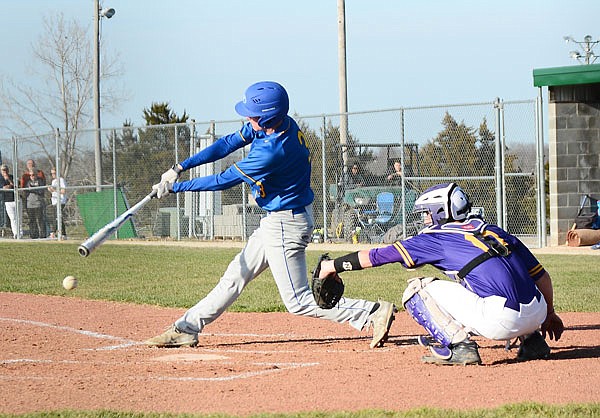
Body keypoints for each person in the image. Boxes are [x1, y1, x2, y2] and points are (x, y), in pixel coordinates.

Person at [145, 81, 396, 349]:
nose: (247, 118)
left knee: (298, 301)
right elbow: (228, 143)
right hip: (277, 220)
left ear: (268, 117)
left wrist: (176, 188)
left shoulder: (272, 151)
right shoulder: (279, 124)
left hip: (287, 223)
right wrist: (181, 167)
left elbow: (223, 180)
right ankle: (187, 328)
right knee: (234, 277)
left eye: (253, 114)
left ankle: (371, 312)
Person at [316, 182, 564, 365]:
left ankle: (460, 346)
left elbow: (378, 256)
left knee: (416, 290)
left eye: (426, 212)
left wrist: (332, 266)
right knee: (495, 280)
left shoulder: (436, 238)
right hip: (539, 311)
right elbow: (542, 277)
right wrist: (549, 313)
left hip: (501, 321)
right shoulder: (492, 229)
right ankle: (532, 342)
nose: (424, 218)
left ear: (440, 212)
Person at [0, 164, 22, 239]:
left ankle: (20, 233)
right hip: (8, 201)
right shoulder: (0, 179)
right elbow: (3, 188)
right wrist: (8, 186)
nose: (5, 171)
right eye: (3, 170)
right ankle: (15, 233)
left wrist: (9, 180)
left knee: (19, 217)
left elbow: (16, 185)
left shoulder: (12, 177)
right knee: (12, 218)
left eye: (6, 169)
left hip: (16, 199)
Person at [24, 169, 46, 239]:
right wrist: (32, 189)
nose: (32, 176)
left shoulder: (40, 181)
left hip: (38, 203)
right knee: (32, 220)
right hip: (30, 203)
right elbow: (26, 191)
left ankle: (43, 235)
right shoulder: (28, 182)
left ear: (36, 175)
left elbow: (40, 191)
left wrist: (33, 189)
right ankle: (33, 235)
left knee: (40, 219)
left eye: (33, 175)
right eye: (30, 175)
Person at [47, 168, 68, 239]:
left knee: (57, 217)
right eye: (51, 173)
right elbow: (54, 192)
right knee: (58, 217)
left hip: (60, 201)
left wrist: (54, 190)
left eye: (54, 173)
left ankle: (52, 233)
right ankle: (63, 234)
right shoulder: (53, 181)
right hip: (55, 201)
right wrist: (51, 190)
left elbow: (63, 191)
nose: (53, 175)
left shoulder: (61, 180)